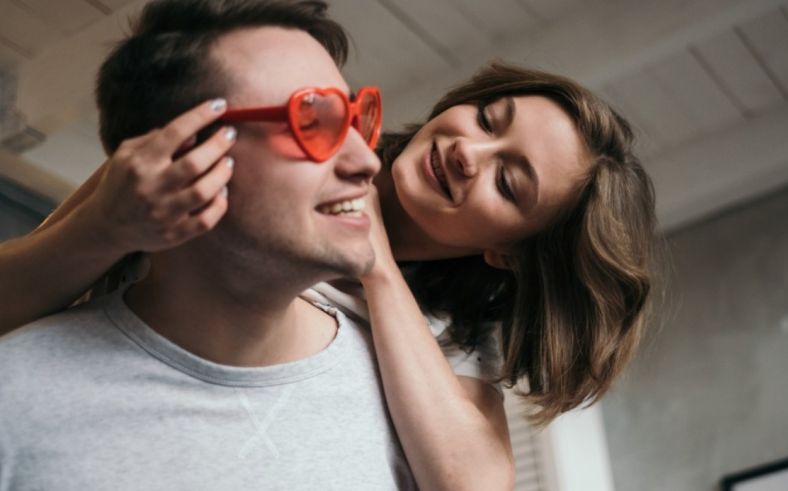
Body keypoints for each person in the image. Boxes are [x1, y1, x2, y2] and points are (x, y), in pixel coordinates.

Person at [0, 1, 658, 490]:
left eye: (507, 181)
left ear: (509, 253)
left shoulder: (450, 345)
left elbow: (473, 482)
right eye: (487, 119)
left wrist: (370, 258)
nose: (467, 153)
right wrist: (106, 227)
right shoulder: (274, 134)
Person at [0, 1, 419, 489]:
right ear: (184, 158)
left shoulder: (402, 405)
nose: (367, 162)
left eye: (353, 121)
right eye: (312, 121)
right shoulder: (17, 396)